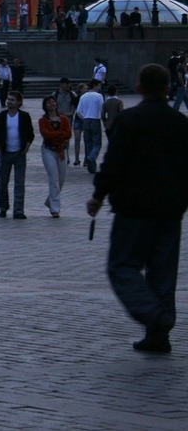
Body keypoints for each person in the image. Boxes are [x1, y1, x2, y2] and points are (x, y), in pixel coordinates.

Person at [86, 64, 188, 353]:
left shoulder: (130, 120)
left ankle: (155, 316)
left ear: (140, 88)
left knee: (122, 266)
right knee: (163, 273)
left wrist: (98, 195)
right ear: (168, 88)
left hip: (134, 208)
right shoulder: (180, 123)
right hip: (170, 209)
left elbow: (113, 162)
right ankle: (158, 336)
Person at [0, 91, 35, 219]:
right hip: (5, 153)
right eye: (8, 99)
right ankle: (3, 207)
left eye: (12, 100)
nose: (9, 102)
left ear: (19, 103)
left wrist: (26, 149)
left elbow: (30, 134)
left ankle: (18, 210)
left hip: (19, 153)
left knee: (19, 183)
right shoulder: (1, 116)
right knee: (3, 182)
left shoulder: (24, 116)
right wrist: (0, 151)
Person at [38, 95, 72, 218]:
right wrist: (60, 134)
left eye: (53, 102)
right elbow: (46, 134)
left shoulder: (63, 119)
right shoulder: (43, 120)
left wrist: (57, 135)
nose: (52, 104)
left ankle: (50, 201)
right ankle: (55, 208)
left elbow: (68, 133)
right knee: (54, 178)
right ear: (45, 106)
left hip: (62, 150)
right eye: (49, 102)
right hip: (48, 151)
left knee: (61, 179)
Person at [76, 79, 105, 174]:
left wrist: (84, 118)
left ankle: (91, 168)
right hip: (95, 119)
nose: (99, 88)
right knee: (97, 143)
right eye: (99, 86)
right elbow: (102, 109)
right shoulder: (99, 96)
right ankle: (91, 158)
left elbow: (79, 111)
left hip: (85, 120)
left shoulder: (83, 96)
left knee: (88, 143)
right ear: (95, 85)